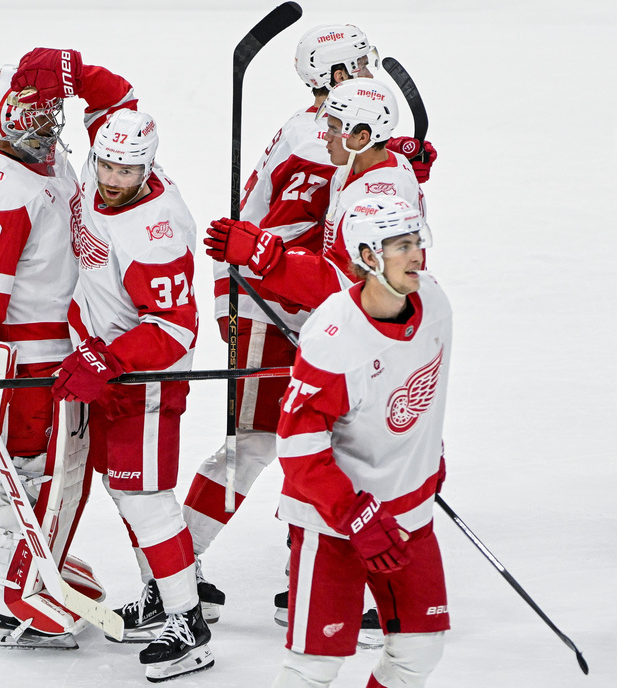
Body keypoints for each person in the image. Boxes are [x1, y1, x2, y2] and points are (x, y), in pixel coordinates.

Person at [186, 25, 437, 632]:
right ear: (333, 79)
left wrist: (399, 160)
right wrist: (244, 278)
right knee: (258, 445)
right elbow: (298, 240)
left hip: (316, 310)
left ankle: (319, 575)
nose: (367, 73)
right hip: (272, 308)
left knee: (339, 449)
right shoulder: (314, 140)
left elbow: (358, 231)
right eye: (356, 66)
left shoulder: (343, 140)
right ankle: (169, 562)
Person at [10, 46, 211, 683]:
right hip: (106, 370)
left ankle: (189, 625)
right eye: (105, 164)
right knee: (130, 497)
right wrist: (70, 69)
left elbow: (177, 330)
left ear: (149, 166)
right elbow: (114, 98)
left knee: (143, 496)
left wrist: (107, 358)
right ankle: (165, 599)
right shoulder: (109, 154)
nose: (112, 179)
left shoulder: (158, 232)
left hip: (145, 384)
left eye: (128, 170)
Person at [0, 55, 127, 649]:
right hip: (28, 359)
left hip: (63, 349)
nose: (41, 126)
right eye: (26, 114)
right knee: (30, 470)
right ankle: (6, 599)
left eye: (48, 112)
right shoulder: (0, 187)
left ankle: (41, 564)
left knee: (66, 468)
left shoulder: (47, 160)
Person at [271, 195, 450, 688]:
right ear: (369, 258)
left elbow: (420, 391)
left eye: (417, 242)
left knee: (419, 651)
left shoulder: (433, 303)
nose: (417, 256)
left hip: (407, 513)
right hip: (333, 521)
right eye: (400, 246)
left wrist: (427, 456)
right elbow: (297, 446)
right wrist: (353, 513)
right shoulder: (334, 339)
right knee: (313, 667)